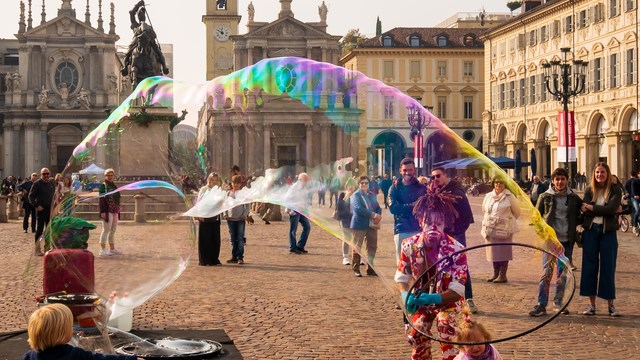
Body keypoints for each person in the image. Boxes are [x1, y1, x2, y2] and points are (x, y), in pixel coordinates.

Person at [396, 183, 468, 360]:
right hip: (420, 302)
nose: (433, 228)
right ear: (420, 222)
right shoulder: (409, 245)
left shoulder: (456, 250)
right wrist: (406, 295)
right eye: (428, 223)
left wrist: (434, 298)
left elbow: (458, 290)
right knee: (417, 330)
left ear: (446, 224)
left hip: (448, 304)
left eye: (439, 223)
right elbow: (401, 276)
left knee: (446, 328)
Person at [529, 168, 583, 317]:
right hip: (550, 242)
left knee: (562, 274)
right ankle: (541, 304)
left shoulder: (573, 197)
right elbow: (536, 218)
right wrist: (543, 235)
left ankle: (558, 303)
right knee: (546, 273)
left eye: (562, 179)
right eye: (557, 179)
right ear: (552, 181)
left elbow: (584, 211)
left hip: (566, 241)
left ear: (567, 180)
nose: (560, 182)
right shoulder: (544, 196)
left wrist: (577, 224)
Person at [430, 166, 477, 313]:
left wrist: (457, 232)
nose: (435, 179)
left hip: (455, 236)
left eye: (438, 176)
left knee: (461, 267)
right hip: (440, 236)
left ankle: (468, 298)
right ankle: (440, 298)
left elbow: (467, 216)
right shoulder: (436, 193)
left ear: (445, 176)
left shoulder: (457, 193)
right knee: (439, 266)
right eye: (433, 177)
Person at [21, 303, 141, 360]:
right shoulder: (74, 355)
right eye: (70, 326)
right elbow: (103, 359)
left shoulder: (28, 357)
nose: (73, 329)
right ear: (61, 334)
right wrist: (132, 359)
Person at [579, 162, 622, 317]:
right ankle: (591, 305)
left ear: (608, 173)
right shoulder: (590, 189)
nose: (600, 175)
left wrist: (592, 208)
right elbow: (584, 208)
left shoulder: (616, 189)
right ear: (594, 174)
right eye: (597, 172)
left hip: (608, 232)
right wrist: (601, 210)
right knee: (589, 267)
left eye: (602, 172)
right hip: (591, 231)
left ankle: (611, 305)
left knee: (608, 268)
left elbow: (611, 209)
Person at [480, 176, 521, 283]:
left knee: (503, 252)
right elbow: (484, 209)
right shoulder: (489, 196)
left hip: (504, 230)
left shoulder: (510, 196)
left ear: (505, 184)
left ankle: (503, 275)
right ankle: (495, 273)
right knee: (493, 252)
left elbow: (517, 212)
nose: (498, 185)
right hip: (490, 228)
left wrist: (506, 220)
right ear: (493, 184)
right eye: (496, 182)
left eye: (501, 183)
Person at [121, 0, 170, 87]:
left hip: (149, 41)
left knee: (158, 52)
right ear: (138, 16)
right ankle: (125, 67)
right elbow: (132, 13)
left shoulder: (149, 26)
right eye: (140, 14)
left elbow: (154, 35)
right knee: (128, 52)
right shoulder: (135, 25)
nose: (141, 15)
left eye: (142, 14)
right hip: (137, 41)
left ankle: (164, 67)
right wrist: (138, 5)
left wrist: (151, 35)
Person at [389, 158, 426, 262]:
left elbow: (423, 206)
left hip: (417, 230)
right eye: (405, 170)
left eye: (410, 170)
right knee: (402, 263)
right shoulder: (394, 188)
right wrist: (413, 205)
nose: (407, 173)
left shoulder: (421, 187)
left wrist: (404, 207)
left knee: (417, 262)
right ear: (400, 170)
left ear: (414, 170)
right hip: (401, 229)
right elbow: (393, 208)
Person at [350, 175, 382, 277]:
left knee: (372, 247)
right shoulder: (356, 195)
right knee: (357, 247)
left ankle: (370, 269)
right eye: (362, 183)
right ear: (358, 184)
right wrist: (373, 215)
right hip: (359, 224)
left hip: (371, 225)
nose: (364, 185)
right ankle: (356, 268)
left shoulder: (372, 194)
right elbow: (358, 209)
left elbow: (377, 207)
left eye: (366, 183)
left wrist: (379, 214)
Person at [197, 173, 222, 266]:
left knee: (215, 239)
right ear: (209, 180)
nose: (214, 182)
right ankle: (205, 259)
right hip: (205, 215)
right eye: (213, 180)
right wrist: (200, 214)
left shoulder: (218, 190)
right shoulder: (204, 189)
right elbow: (199, 202)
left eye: (216, 180)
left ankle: (214, 258)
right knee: (205, 238)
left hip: (215, 216)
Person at [28, 168, 55, 256]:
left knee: (48, 230)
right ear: (41, 175)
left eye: (47, 173)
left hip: (50, 210)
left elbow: (54, 195)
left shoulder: (51, 183)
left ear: (50, 174)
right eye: (44, 174)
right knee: (39, 230)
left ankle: (47, 247)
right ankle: (37, 249)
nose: (46, 175)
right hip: (41, 211)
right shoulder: (37, 184)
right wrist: (36, 205)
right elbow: (31, 196)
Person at [226, 175, 250, 264]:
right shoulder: (228, 193)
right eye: (234, 183)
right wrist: (225, 214)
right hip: (231, 219)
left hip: (240, 219)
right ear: (231, 183)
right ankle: (234, 256)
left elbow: (247, 205)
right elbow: (225, 205)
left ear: (240, 184)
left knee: (240, 239)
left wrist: (244, 215)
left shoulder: (242, 193)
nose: (235, 185)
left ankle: (240, 257)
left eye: (237, 183)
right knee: (233, 239)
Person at [98, 169, 122, 257]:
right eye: (108, 175)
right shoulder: (103, 186)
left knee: (113, 230)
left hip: (115, 210)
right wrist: (102, 211)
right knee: (106, 230)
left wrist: (118, 207)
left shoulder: (114, 186)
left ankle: (112, 249)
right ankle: (102, 250)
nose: (110, 177)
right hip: (107, 211)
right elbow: (101, 200)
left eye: (112, 175)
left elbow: (117, 198)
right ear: (105, 176)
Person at [286, 173, 312, 254]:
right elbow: (287, 199)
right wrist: (290, 211)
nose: (307, 182)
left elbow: (304, 200)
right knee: (293, 230)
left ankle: (300, 246)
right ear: (300, 180)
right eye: (306, 180)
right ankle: (293, 247)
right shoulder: (294, 188)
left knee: (307, 227)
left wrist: (306, 211)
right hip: (294, 211)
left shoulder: (304, 188)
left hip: (302, 211)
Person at [337, 178, 357, 265]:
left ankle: (358, 257)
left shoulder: (357, 195)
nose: (351, 187)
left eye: (352, 185)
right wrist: (346, 197)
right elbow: (339, 207)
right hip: (345, 219)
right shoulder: (343, 194)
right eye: (349, 185)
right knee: (346, 238)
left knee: (357, 239)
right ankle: (345, 257)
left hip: (355, 219)